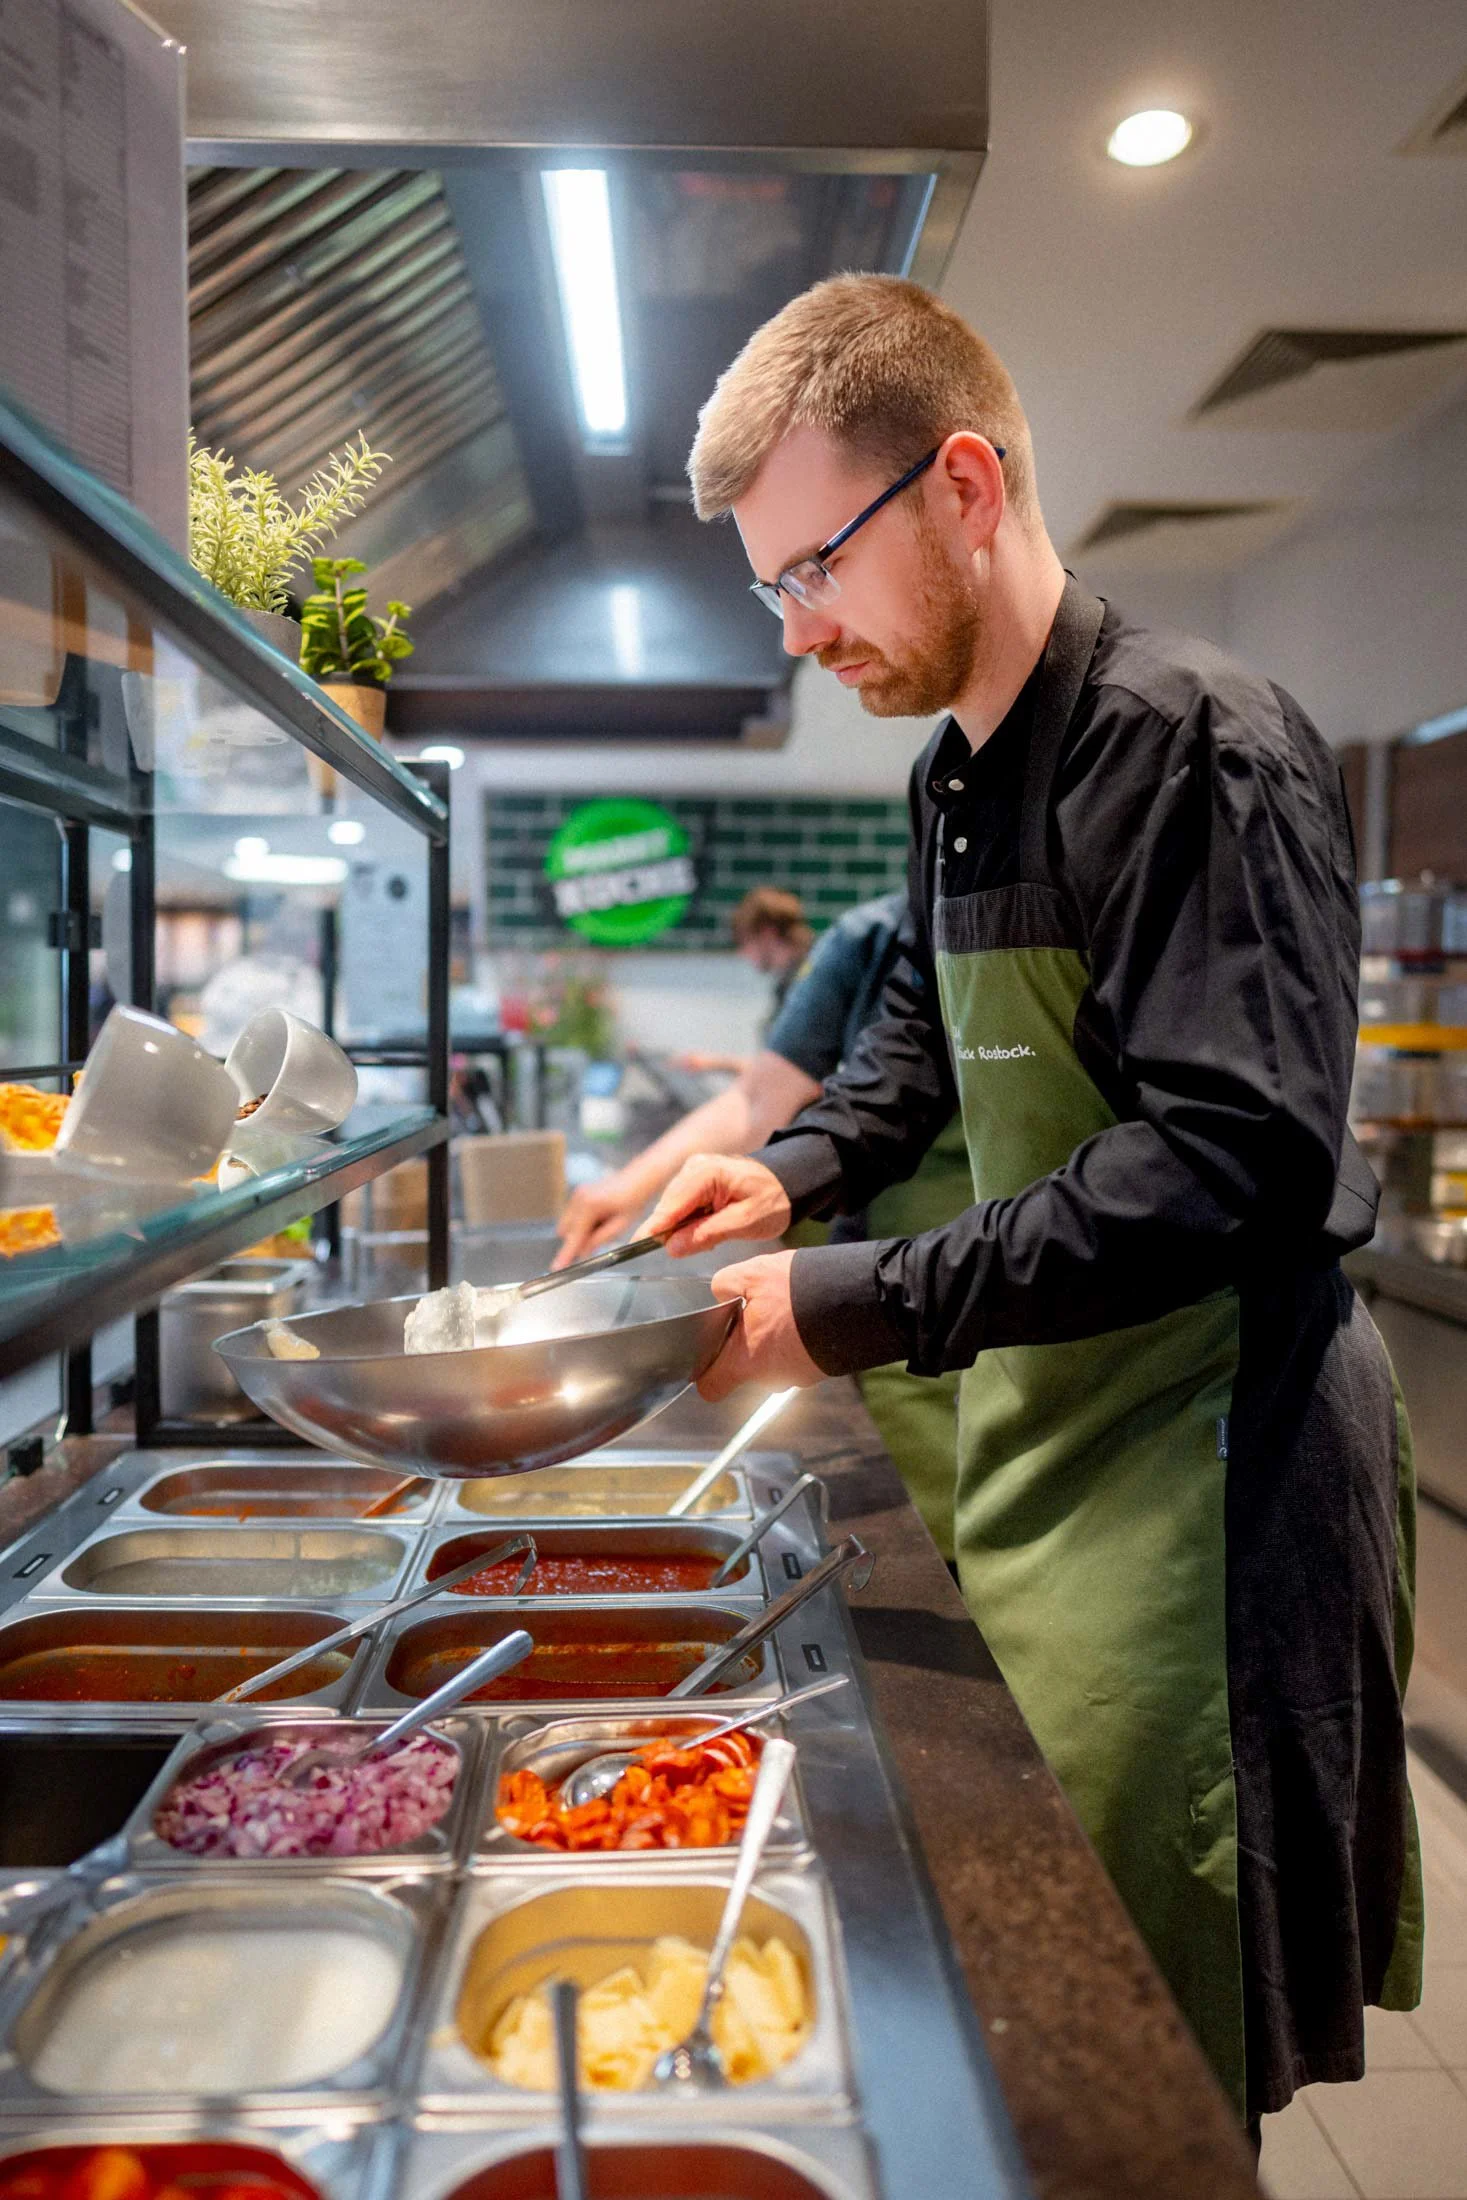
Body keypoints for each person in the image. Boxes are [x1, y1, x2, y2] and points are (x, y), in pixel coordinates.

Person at [640, 273, 1422, 2130]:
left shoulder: (1192, 743)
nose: (799, 625)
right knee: (1038, 1986)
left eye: (813, 562)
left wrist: (841, 1297)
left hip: (1212, 1470)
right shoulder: (949, 778)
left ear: (966, 485)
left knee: (1138, 2046)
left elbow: (1226, 1161)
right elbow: (912, 1048)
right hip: (1059, 1431)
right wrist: (791, 1166)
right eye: (774, 586)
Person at [555, 891, 971, 1555]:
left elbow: (765, 1096)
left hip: (949, 1288)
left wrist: (632, 1186)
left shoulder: (869, 935)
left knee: (943, 1525)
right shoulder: (903, 936)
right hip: (925, 1286)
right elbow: (827, 1098)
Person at [679, 886, 814, 1074]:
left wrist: (717, 1063)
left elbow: (789, 1072)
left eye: (744, 942)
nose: (743, 954)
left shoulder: (805, 986)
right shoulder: (796, 979)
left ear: (767, 934)